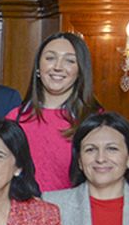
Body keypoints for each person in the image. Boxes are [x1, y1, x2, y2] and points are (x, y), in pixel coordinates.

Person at [9, 31, 103, 192]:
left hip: (73, 212)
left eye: (69, 60)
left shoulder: (95, 121)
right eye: (50, 58)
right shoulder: (15, 118)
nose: (58, 67)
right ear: (38, 67)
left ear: (80, 71)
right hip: (20, 212)